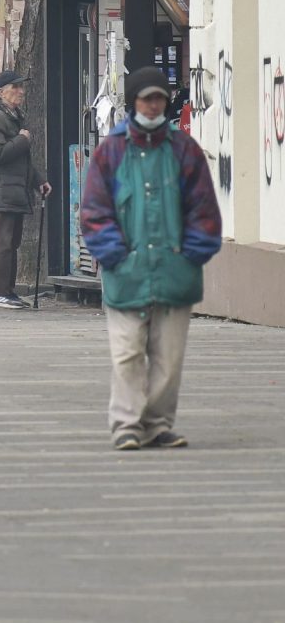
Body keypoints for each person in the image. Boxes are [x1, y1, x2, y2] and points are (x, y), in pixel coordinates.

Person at [79, 73, 222, 451]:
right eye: (146, 99)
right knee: (127, 353)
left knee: (168, 358)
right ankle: (127, 423)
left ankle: (157, 424)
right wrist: (114, 256)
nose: (154, 105)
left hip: (174, 271)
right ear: (133, 103)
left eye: (159, 98)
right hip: (127, 273)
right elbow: (94, 211)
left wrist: (192, 255)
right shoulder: (111, 151)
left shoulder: (184, 149)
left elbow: (203, 208)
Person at [0, 69, 37, 309]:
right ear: (1, 92)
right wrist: (22, 140)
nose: (21, 92)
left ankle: (7, 291)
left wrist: (39, 180)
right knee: (2, 241)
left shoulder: (12, 116)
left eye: (21, 87)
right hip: (2, 187)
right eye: (15, 87)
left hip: (14, 187)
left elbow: (21, 161)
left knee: (11, 242)